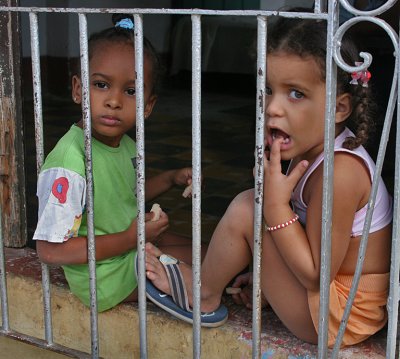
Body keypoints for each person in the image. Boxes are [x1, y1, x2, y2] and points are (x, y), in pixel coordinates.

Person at [144, 15, 393, 346]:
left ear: (338, 107)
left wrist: (274, 206)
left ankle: (202, 294)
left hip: (340, 316)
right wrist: (267, 273)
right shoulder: (318, 151)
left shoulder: (341, 173)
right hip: (328, 300)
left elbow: (318, 274)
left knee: (251, 206)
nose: (272, 107)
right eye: (268, 89)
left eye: (295, 93)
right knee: (254, 209)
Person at [33, 14, 198, 312]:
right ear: (78, 89)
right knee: (206, 270)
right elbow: (49, 251)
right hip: (104, 277)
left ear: (148, 105)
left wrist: (171, 178)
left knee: (207, 252)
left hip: (128, 250)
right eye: (100, 85)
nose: (114, 101)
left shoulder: (126, 144)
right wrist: (130, 237)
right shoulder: (69, 162)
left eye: (131, 91)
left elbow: (124, 196)